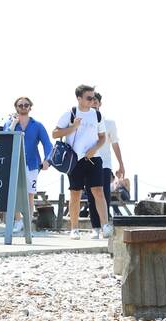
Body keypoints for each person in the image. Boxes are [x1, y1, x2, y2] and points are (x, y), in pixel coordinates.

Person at [52, 85, 111, 240]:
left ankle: (105, 226)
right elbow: (55, 133)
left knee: (98, 191)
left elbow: (103, 137)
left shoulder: (97, 115)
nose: (92, 100)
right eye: (89, 98)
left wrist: (94, 148)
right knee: (75, 193)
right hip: (74, 159)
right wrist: (73, 127)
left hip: (94, 158)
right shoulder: (70, 113)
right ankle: (74, 229)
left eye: (93, 98)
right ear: (79, 98)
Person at [3, 96, 52, 229]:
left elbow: (48, 144)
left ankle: (28, 223)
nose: (23, 107)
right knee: (13, 192)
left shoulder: (38, 125)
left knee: (30, 195)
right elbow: (5, 139)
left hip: (32, 164)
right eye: (20, 105)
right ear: (16, 108)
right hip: (14, 163)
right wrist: (13, 124)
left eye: (26, 105)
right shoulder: (9, 124)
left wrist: (47, 160)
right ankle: (18, 220)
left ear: (30, 107)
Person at [84, 91, 124, 239]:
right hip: (87, 163)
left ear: (100, 103)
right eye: (90, 100)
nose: (93, 103)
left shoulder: (109, 123)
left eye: (96, 101)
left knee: (104, 196)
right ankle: (95, 228)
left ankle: (104, 226)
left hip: (104, 164)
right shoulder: (83, 122)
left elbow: (115, 144)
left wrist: (121, 164)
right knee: (90, 196)